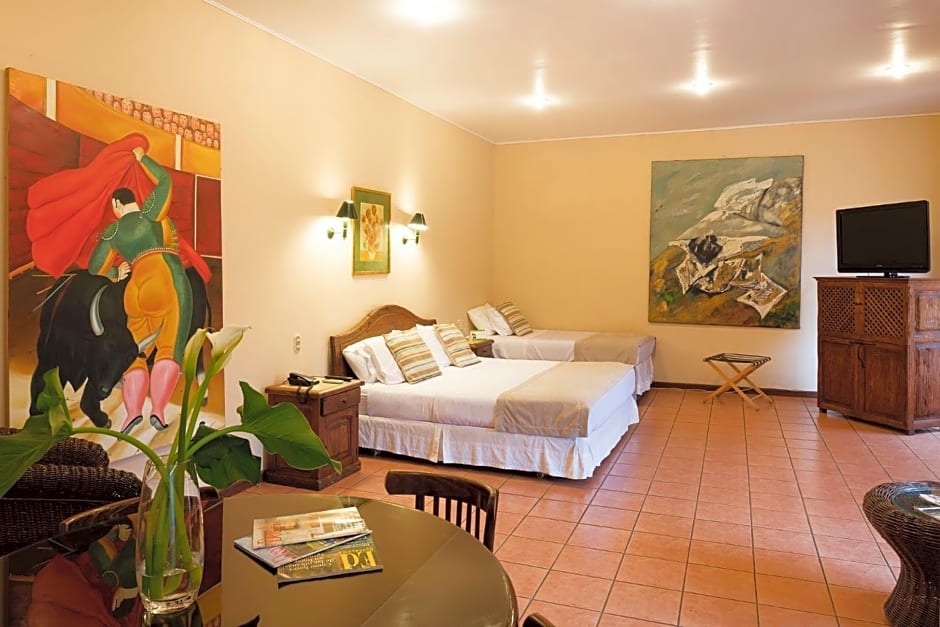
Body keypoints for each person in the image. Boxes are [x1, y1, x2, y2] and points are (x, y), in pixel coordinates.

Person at [87, 146, 193, 434]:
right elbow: (165, 180)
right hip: (163, 276)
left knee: (134, 352)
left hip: (133, 289)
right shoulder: (150, 214)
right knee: (169, 346)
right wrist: (142, 158)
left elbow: (94, 267)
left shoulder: (113, 232)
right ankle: (157, 410)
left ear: (117, 205)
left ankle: (133, 412)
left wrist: (114, 273)